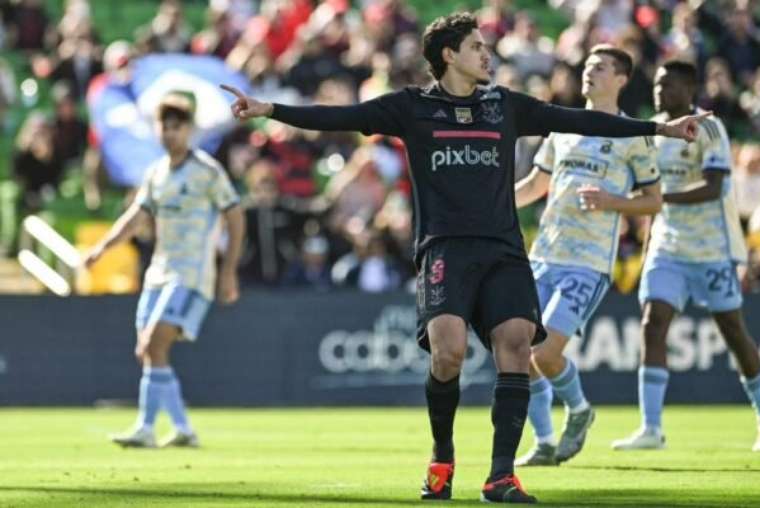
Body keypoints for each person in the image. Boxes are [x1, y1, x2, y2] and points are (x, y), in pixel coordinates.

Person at [222, 13, 708, 503]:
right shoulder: (411, 108)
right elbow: (340, 116)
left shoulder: (505, 106)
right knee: (448, 351)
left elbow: (578, 118)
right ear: (449, 56)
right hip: (445, 250)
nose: (487, 53)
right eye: (477, 46)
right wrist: (269, 109)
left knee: (516, 344)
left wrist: (660, 129)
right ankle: (442, 457)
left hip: (503, 249)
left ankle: (501, 476)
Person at [611, 61, 760, 452]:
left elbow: (713, 187)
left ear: (690, 88)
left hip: (713, 248)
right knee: (653, 323)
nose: (659, 89)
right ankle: (651, 428)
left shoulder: (709, 127)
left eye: (668, 83)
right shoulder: (652, 131)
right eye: (657, 82)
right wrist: (648, 233)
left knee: (733, 331)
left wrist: (657, 199)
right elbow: (648, 191)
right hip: (667, 246)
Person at [513, 45, 662, 466]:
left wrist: (614, 200)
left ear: (621, 79)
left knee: (544, 354)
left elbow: (654, 202)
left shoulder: (632, 134)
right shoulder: (561, 128)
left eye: (600, 67)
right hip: (544, 256)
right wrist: (493, 203)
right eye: (587, 65)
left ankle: (579, 411)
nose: (589, 72)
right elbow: (534, 186)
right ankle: (543, 442)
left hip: (589, 262)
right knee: (519, 354)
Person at [84, 92, 245, 448]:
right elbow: (134, 219)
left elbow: (235, 215)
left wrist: (228, 270)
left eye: (177, 127)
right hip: (158, 272)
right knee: (149, 352)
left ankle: (145, 428)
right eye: (165, 126)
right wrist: (101, 248)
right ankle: (183, 429)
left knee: (152, 344)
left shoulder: (206, 171)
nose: (170, 133)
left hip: (191, 273)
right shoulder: (156, 173)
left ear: (188, 130)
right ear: (157, 129)